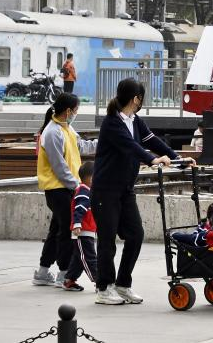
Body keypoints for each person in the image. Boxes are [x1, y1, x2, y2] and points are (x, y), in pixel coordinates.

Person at [92, 77, 195, 306]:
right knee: (107, 240)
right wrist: (152, 160)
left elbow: (152, 141)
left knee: (135, 235)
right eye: (141, 98)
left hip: (125, 189)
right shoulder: (112, 123)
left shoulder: (135, 120)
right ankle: (104, 287)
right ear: (136, 99)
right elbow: (131, 147)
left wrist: (179, 159)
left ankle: (122, 284)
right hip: (105, 190)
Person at [33, 93, 97, 287]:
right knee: (67, 232)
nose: (76, 113)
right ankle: (64, 273)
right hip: (58, 189)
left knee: (56, 231)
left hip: (66, 188)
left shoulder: (66, 128)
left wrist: (103, 143)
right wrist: (77, 186)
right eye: (76, 110)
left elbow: (81, 146)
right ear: (68, 111)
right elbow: (59, 166)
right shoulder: (52, 132)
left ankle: (42, 272)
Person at [61, 161, 98, 291]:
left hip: (87, 231)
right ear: (91, 178)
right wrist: (77, 224)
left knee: (79, 259)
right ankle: (100, 282)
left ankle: (69, 281)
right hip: (83, 232)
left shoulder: (88, 191)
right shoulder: (83, 191)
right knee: (89, 259)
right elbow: (79, 209)